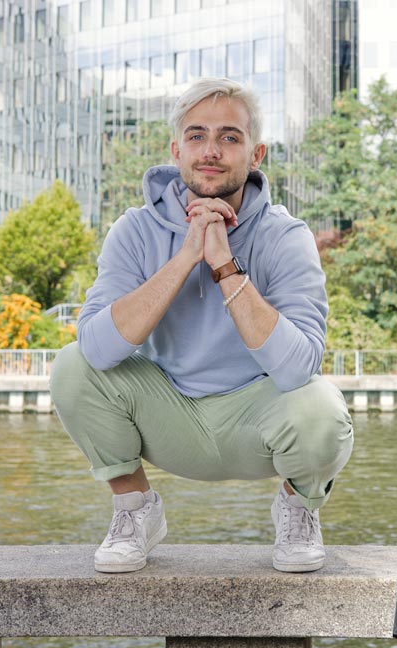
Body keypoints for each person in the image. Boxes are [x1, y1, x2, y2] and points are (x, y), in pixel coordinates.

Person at [50, 77, 353, 575]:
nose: (211, 151)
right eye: (197, 136)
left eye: (229, 137)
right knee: (71, 366)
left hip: (258, 418)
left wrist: (224, 264)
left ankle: (298, 510)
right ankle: (135, 512)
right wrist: (187, 254)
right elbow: (98, 350)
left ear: (256, 154)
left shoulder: (287, 237)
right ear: (176, 149)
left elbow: (300, 368)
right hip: (167, 415)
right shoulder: (134, 230)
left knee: (322, 409)